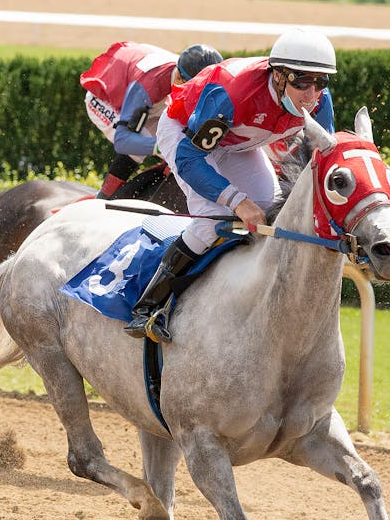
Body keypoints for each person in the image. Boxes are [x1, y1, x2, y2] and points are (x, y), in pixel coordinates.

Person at [125, 28, 337, 342]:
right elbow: (190, 158)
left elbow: (322, 160)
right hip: (185, 138)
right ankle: (147, 306)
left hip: (237, 143)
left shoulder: (319, 102)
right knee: (211, 223)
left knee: (271, 211)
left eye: (321, 82)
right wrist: (237, 201)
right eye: (301, 82)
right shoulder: (232, 92)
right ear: (277, 76)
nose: (311, 93)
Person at [81, 41, 224, 200]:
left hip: (146, 87)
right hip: (106, 96)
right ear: (178, 77)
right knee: (141, 140)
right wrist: (160, 148)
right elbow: (123, 140)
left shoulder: (189, 74)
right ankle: (102, 199)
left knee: (178, 139)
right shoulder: (150, 84)